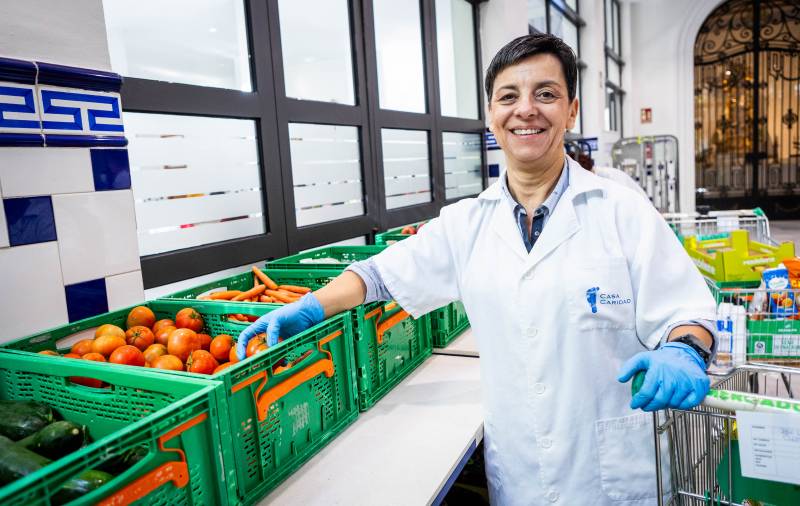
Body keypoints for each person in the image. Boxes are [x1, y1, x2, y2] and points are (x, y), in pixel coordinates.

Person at [238, 34, 717, 505]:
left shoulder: (622, 211)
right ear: (491, 115)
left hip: (612, 477)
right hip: (522, 472)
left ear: (571, 110)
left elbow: (685, 310)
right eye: (509, 96)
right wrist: (308, 307)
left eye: (545, 95)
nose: (525, 109)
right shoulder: (465, 223)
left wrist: (686, 351)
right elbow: (379, 275)